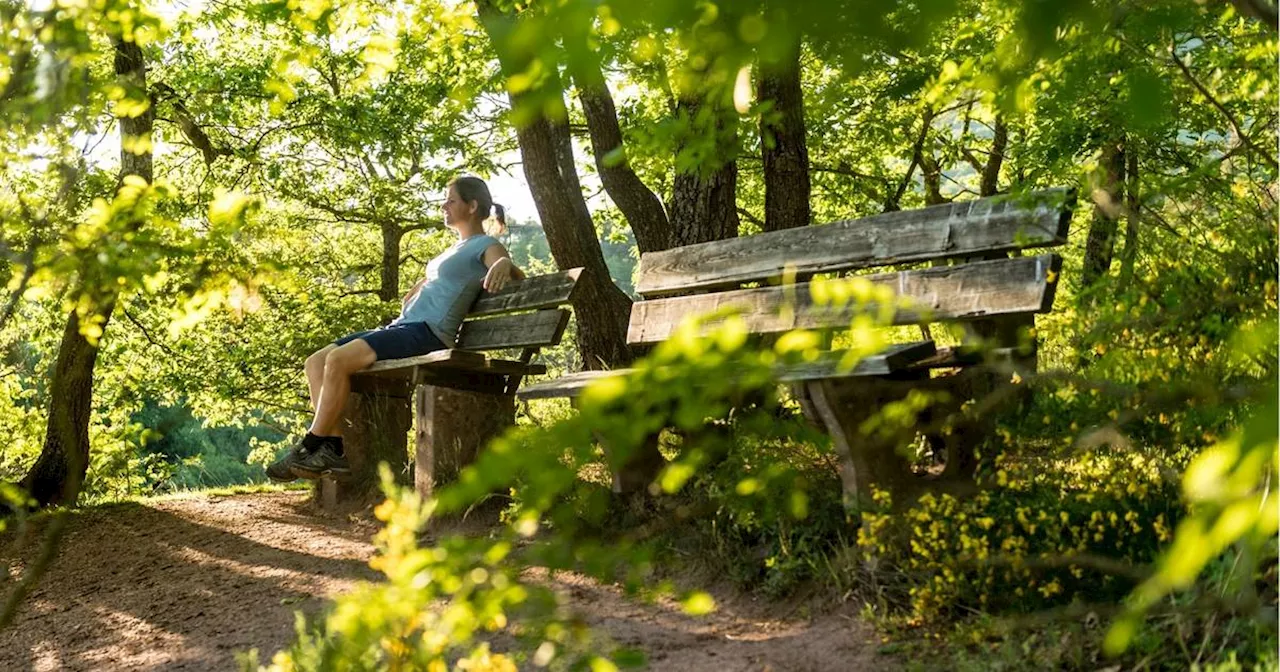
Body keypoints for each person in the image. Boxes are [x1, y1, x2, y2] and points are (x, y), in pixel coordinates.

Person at [267, 176, 525, 481]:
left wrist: (503, 265)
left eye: (451, 200)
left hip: (428, 333)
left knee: (338, 361)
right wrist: (423, 284)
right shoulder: (454, 250)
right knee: (316, 362)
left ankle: (310, 445)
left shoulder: (485, 244)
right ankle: (333, 449)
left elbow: (507, 268)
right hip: (405, 327)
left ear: (472, 206)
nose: (443, 205)